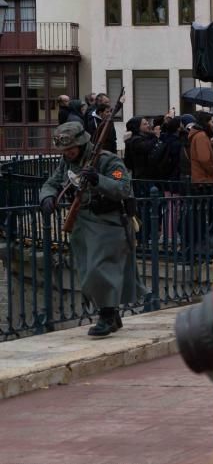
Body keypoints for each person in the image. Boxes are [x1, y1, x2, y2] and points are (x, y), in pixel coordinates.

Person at [38, 122, 145, 337]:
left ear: (82, 143)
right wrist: (47, 197)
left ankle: (106, 315)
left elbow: (122, 185)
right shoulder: (67, 163)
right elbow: (52, 182)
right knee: (87, 271)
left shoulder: (107, 160)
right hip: (83, 224)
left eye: (71, 150)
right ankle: (111, 314)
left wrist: (98, 179)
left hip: (108, 223)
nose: (68, 154)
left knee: (99, 269)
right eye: (64, 151)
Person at [123, 117, 157, 181]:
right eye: (145, 124)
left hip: (146, 174)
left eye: (147, 123)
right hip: (141, 175)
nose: (148, 125)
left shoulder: (145, 136)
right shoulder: (135, 140)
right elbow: (146, 148)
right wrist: (156, 137)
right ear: (137, 126)